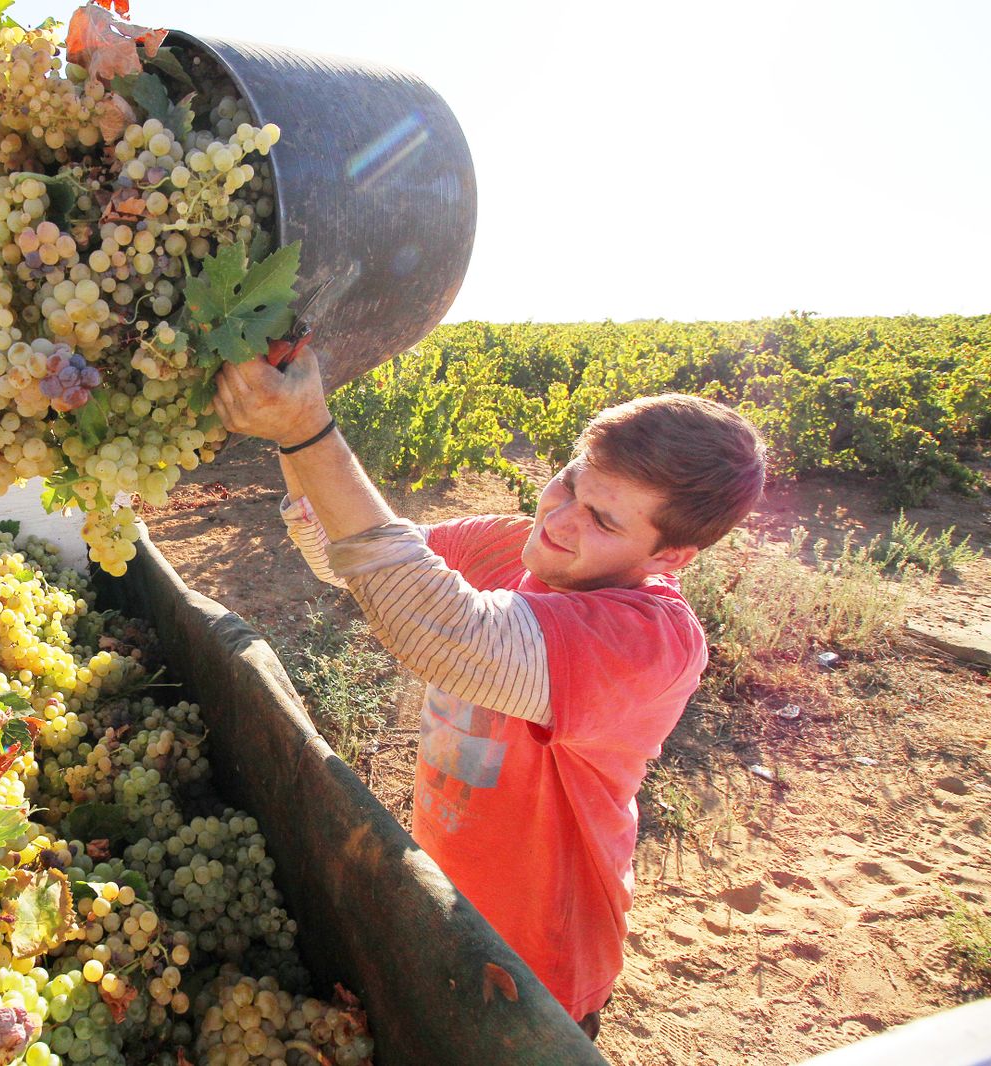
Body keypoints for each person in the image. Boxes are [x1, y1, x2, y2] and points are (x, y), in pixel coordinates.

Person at [213, 347, 765, 1041]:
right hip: (449, 904)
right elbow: (342, 556)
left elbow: (448, 633)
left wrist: (308, 431)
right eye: (569, 483)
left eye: (604, 521)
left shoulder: (652, 643)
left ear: (669, 556)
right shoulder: (514, 545)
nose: (561, 520)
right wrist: (284, 423)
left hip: (542, 964)